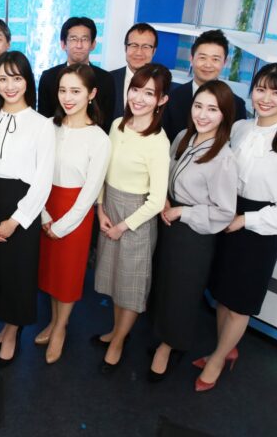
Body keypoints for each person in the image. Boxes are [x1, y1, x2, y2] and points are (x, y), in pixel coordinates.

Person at [197, 63, 277, 392]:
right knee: (222, 293)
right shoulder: (240, 128)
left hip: (259, 229)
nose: (266, 98)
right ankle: (225, 347)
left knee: (240, 301)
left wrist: (245, 220)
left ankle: (218, 359)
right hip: (227, 214)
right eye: (261, 89)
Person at [148, 81, 238, 382]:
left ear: (224, 115)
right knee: (164, 284)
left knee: (182, 292)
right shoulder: (183, 137)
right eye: (198, 106)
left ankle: (169, 346)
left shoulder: (223, 157)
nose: (202, 114)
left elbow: (224, 212)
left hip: (194, 233)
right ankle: (161, 334)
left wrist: (182, 212)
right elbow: (167, 173)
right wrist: (164, 198)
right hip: (168, 221)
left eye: (212, 109)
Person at [0, 51, 55, 367]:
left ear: (27, 81)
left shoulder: (42, 124)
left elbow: (42, 181)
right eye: (3, 78)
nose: (10, 85)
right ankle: (5, 324)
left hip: (21, 207)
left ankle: (12, 331)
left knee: (18, 274)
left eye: (17, 78)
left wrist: (16, 220)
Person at [93, 63, 171, 374]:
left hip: (136, 218)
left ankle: (118, 342)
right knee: (115, 280)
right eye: (136, 90)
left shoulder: (158, 142)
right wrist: (100, 208)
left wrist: (123, 226)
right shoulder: (117, 125)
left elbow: (156, 201)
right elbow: (104, 171)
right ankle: (117, 331)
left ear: (162, 100)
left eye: (149, 93)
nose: (139, 98)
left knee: (131, 285)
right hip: (110, 208)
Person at [36, 64, 110, 364]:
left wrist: (61, 225)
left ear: (91, 94)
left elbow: (90, 192)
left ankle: (60, 328)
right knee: (51, 273)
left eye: (76, 91)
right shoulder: (48, 127)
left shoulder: (99, 138)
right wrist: (43, 216)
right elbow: (37, 174)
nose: (68, 97)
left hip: (75, 214)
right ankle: (53, 320)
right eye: (63, 90)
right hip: (45, 206)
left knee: (67, 276)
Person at [163, 29, 247, 140]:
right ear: (191, 59)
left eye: (215, 59)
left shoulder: (236, 104)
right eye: (202, 58)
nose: (208, 65)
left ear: (224, 62)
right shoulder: (172, 97)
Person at [37, 16, 116, 132]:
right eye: (73, 39)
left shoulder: (106, 79)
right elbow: (44, 119)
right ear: (63, 44)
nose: (79, 45)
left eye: (85, 39)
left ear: (93, 44)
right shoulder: (48, 77)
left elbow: (107, 122)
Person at [109, 23, 158, 120]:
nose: (139, 52)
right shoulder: (108, 79)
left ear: (154, 51)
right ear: (125, 48)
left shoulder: (164, 85)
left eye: (146, 47)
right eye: (134, 45)